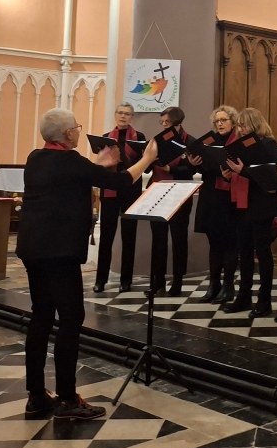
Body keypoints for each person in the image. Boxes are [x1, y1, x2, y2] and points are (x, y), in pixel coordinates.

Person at [16, 108, 158, 421]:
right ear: (68, 133)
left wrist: (97, 166)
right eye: (77, 127)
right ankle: (68, 399)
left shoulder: (35, 158)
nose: (79, 131)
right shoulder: (73, 162)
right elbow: (121, 181)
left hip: (33, 248)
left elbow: (71, 177)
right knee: (71, 318)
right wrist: (147, 159)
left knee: (41, 315)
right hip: (60, 252)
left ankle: (36, 396)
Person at [223, 107, 277, 317]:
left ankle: (265, 301)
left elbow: (270, 174)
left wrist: (243, 171)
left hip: (261, 204)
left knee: (262, 253)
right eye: (239, 126)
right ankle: (244, 297)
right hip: (242, 203)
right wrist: (229, 173)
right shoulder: (240, 144)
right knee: (244, 252)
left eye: (244, 125)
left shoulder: (268, 143)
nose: (241, 129)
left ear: (255, 124)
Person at [93, 103, 146, 293]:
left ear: (132, 117)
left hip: (130, 191)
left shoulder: (139, 137)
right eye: (121, 113)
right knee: (106, 237)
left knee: (129, 237)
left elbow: (144, 165)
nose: (123, 116)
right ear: (116, 115)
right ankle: (101, 280)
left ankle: (126, 280)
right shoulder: (106, 137)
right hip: (110, 191)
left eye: (127, 114)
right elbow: (100, 164)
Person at [149, 106, 202, 296]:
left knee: (179, 239)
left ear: (178, 123)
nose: (164, 125)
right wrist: (148, 157)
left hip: (179, 193)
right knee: (158, 239)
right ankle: (158, 281)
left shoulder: (191, 142)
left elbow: (193, 170)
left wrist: (171, 169)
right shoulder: (156, 140)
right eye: (162, 122)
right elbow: (147, 167)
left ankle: (177, 282)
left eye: (167, 122)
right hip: (158, 192)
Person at [193, 105, 240, 303]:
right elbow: (204, 166)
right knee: (214, 243)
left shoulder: (238, 141)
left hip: (229, 198)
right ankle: (214, 285)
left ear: (233, 122)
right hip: (211, 195)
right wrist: (194, 163)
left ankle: (228, 286)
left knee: (229, 242)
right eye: (217, 121)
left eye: (223, 120)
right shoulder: (209, 141)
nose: (219, 124)